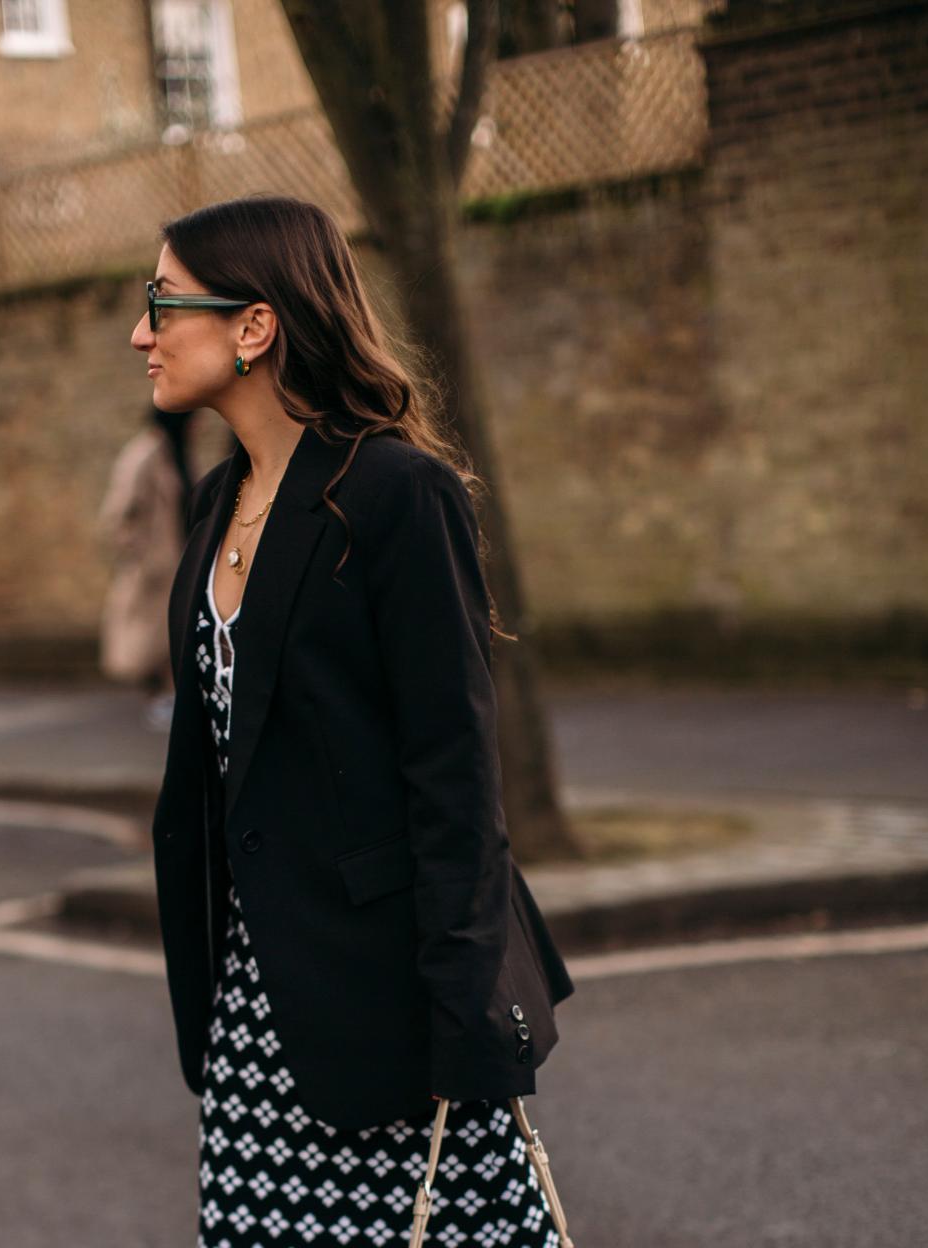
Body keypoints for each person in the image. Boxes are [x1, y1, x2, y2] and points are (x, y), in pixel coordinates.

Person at [130, 194, 576, 1247]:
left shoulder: (396, 494)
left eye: (162, 302)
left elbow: (456, 778)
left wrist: (465, 1024)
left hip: (396, 1006)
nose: (141, 332)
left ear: (254, 326)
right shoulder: (216, 505)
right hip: (257, 1004)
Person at [96, 404, 190, 727]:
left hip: (175, 560)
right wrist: (137, 552)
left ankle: (169, 696)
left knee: (169, 632)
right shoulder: (145, 453)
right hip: (155, 566)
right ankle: (164, 697)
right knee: (156, 635)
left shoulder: (173, 450)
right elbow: (118, 512)